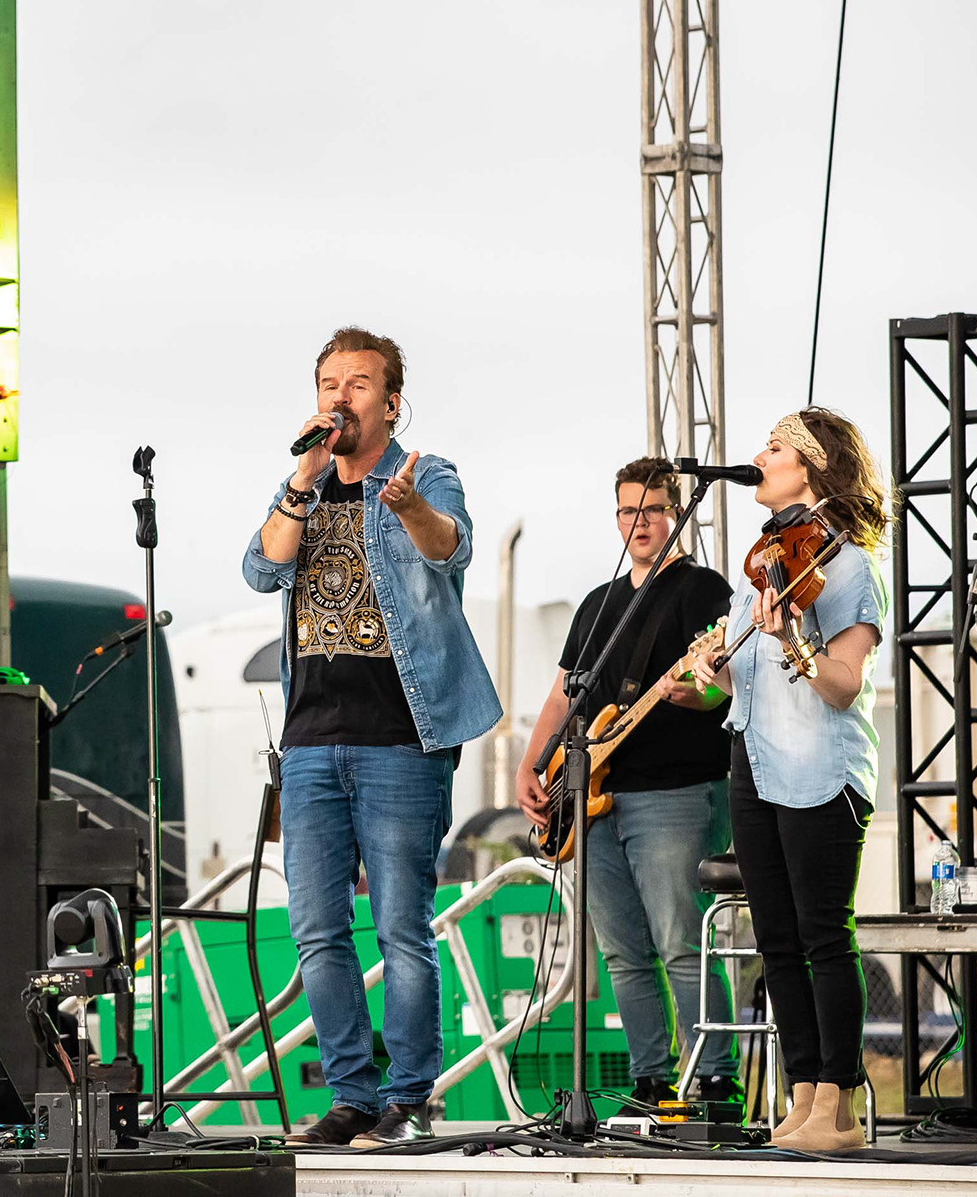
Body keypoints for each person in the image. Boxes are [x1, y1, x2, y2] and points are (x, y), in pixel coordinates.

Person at [242, 328, 502, 1146]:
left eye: (358, 384)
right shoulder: (305, 486)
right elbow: (261, 569)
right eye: (329, 383)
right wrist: (301, 478)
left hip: (401, 739)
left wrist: (410, 505)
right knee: (317, 931)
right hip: (310, 742)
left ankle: (408, 1097)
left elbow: (450, 547)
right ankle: (351, 1096)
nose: (340, 396)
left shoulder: (426, 473)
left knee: (400, 926)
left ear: (391, 403)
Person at [514, 457, 742, 1108]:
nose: (639, 522)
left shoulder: (703, 590)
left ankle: (715, 1080)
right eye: (628, 511)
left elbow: (726, 681)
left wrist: (693, 694)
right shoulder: (599, 604)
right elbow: (563, 694)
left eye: (652, 510)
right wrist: (531, 764)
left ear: (676, 513)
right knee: (621, 952)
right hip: (588, 797)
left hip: (675, 791)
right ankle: (651, 1081)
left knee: (680, 942)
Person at [691, 408, 891, 1153]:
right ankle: (803, 1091)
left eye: (774, 447)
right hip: (753, 761)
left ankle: (839, 1103)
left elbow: (842, 684)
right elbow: (745, 681)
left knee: (823, 935)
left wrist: (794, 638)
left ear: (811, 466)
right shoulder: (764, 565)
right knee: (775, 939)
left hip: (820, 770)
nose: (759, 456)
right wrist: (712, 669)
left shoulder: (850, 567)